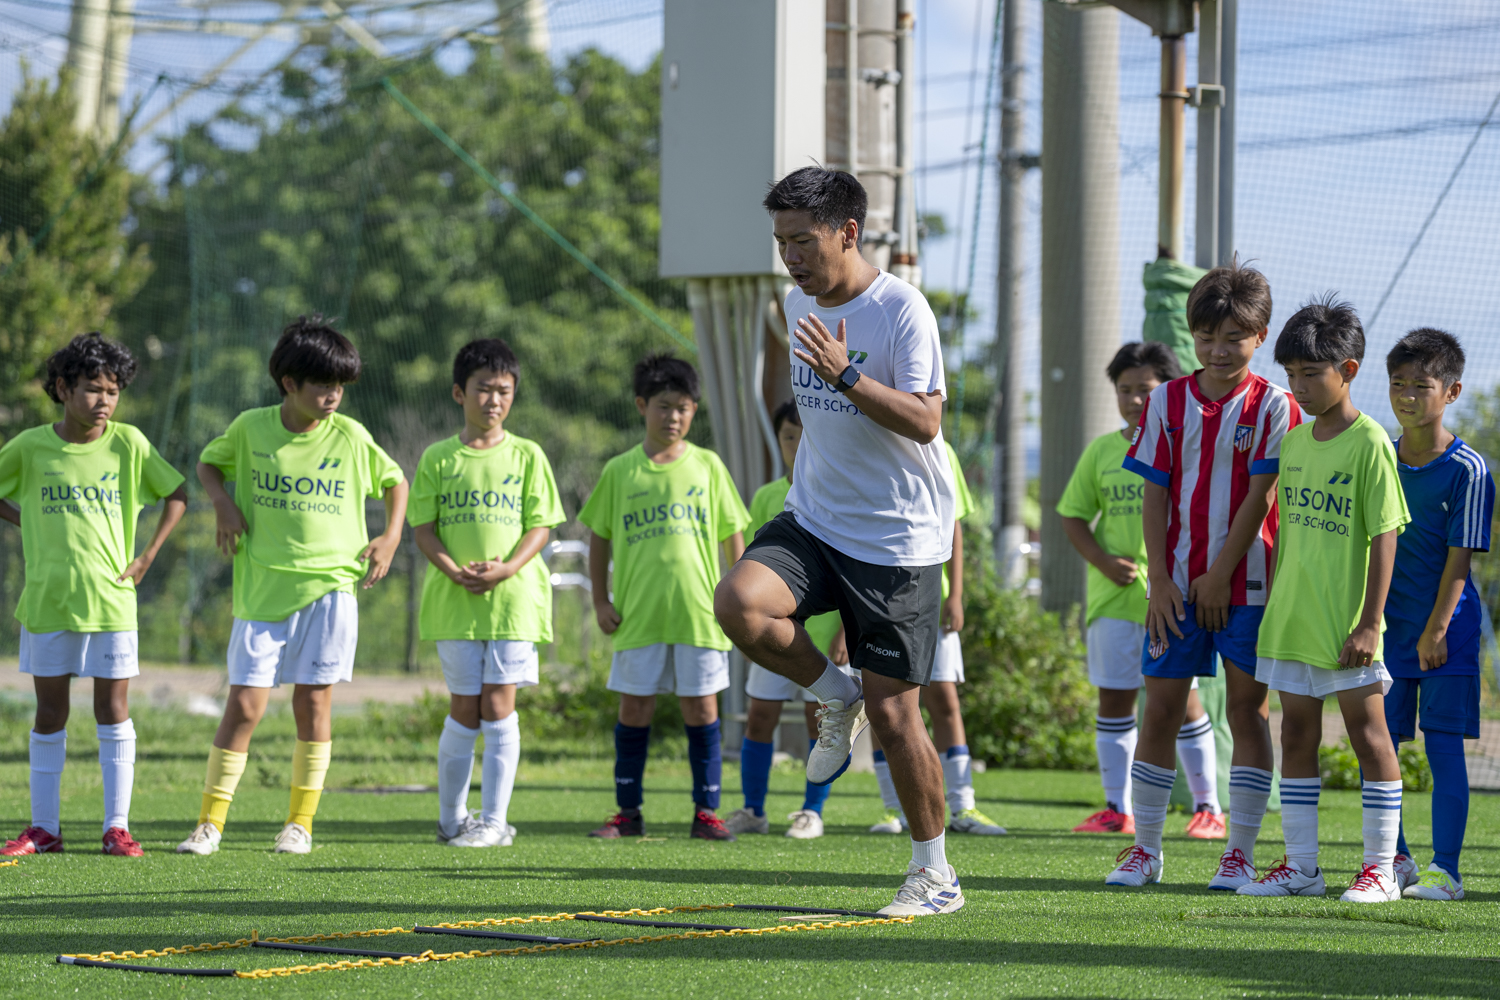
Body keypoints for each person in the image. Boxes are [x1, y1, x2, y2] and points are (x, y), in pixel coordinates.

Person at [715, 166, 963, 917]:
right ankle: (831, 692)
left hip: (896, 540)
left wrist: (846, 373)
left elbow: (927, 421)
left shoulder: (901, 311)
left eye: (802, 240)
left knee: (896, 719)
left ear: (846, 233)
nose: (789, 257)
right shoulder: (794, 303)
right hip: (815, 517)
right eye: (780, 241)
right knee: (739, 604)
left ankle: (935, 875)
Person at [177, 317, 408, 856]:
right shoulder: (250, 427)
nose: (333, 398)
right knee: (245, 706)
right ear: (289, 384)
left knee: (314, 706)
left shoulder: (351, 436)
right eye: (323, 386)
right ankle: (209, 825)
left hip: (331, 589)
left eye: (340, 387)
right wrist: (223, 501)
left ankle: (299, 824)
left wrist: (391, 537)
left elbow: (395, 481)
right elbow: (209, 464)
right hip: (262, 592)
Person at [1108, 260, 1299, 890]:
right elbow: (1156, 494)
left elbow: (1261, 498)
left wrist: (1219, 576)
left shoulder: (1276, 405)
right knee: (1159, 709)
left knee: (1247, 712)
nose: (1218, 350)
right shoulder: (1164, 399)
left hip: (1248, 588)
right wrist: (1159, 580)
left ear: (1259, 336)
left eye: (1233, 338)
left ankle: (1238, 852)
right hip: (1175, 591)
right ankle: (1145, 850)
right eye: (1206, 337)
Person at [1237, 296, 1410, 902]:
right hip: (1292, 620)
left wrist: (1369, 623)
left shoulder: (1371, 444)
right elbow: (1285, 535)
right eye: (1291, 375)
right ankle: (1304, 867)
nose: (1300, 386)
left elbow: (1385, 536)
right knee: (1296, 738)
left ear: (1350, 369)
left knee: (1369, 737)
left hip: (1347, 625)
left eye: (1312, 373)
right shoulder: (1295, 442)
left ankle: (1382, 870)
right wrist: (1276, 607)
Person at [0, 334, 187, 858]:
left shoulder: (128, 443)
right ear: (62, 389)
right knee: (50, 713)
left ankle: (116, 827)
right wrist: (25, 520)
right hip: (48, 600)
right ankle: (43, 829)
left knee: (113, 708)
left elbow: (176, 493)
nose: (103, 401)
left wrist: (146, 556)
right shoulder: (32, 446)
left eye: (112, 391)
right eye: (91, 390)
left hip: (111, 601)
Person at [580, 353, 749, 842]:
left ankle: (707, 813)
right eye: (662, 405)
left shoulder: (709, 467)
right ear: (641, 406)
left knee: (703, 712)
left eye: (683, 407)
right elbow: (599, 539)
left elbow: (733, 539)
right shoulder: (620, 471)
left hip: (700, 617)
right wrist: (600, 601)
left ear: (694, 411)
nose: (673, 416)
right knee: (635, 711)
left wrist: (736, 602)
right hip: (638, 617)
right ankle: (627, 813)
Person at [1060, 342, 1222, 837]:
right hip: (1112, 603)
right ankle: (1117, 809)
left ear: (1167, 391)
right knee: (1114, 701)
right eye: (1124, 390)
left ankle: (1209, 809)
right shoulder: (1102, 451)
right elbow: (1072, 515)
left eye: (1144, 390)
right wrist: (1104, 562)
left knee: (1184, 704)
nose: (1133, 400)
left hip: (1173, 601)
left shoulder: (1188, 444)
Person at [410, 339, 565, 848]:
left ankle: (495, 822)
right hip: (456, 605)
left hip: (513, 603)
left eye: (504, 391)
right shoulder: (438, 457)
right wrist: (455, 570)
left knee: (499, 705)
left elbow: (540, 525)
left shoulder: (528, 454)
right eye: (483, 390)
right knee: (463, 708)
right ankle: (452, 819)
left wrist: (506, 569)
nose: (493, 400)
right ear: (460, 393)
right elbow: (424, 529)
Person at [1380, 328, 1490, 901]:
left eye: (1420, 385)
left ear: (1451, 392)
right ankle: (1394, 861)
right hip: (1387, 633)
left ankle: (1446, 872)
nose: (1406, 395)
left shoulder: (1468, 469)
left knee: (1442, 747)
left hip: (1447, 635)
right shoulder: (1378, 456)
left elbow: (1459, 563)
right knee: (1382, 746)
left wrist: (1436, 631)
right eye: (1397, 383)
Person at [724, 401, 851, 840]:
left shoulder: (839, 492)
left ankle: (811, 811)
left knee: (823, 713)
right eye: (787, 436)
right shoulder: (764, 496)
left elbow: (853, 574)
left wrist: (843, 630)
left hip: (823, 635)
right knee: (760, 717)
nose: (796, 445)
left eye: (804, 435)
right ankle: (753, 809)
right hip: (778, 635)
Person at [869, 440, 1007, 837]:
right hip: (880, 601)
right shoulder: (867, 442)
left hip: (931, 598)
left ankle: (964, 806)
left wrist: (956, 594)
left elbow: (954, 526)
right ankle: (894, 809)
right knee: (885, 702)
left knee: (944, 699)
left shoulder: (940, 451)